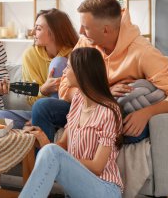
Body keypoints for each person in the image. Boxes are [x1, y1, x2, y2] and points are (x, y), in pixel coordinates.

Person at [32, 0, 168, 144]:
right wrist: (100, 95)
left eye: (85, 27)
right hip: (86, 107)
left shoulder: (143, 52)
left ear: (106, 30)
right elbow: (65, 87)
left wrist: (146, 113)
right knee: (42, 107)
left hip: (118, 113)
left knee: (132, 131)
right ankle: (46, 163)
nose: (80, 31)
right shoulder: (86, 42)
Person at [20, 47, 123, 198]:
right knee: (50, 151)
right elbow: (62, 145)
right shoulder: (78, 101)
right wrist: (42, 139)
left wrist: (52, 150)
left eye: (68, 67)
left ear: (82, 73)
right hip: (80, 189)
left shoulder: (108, 111)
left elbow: (97, 167)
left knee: (51, 151)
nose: (64, 72)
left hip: (105, 189)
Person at [0, 9, 79, 129]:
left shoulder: (76, 52)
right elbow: (32, 99)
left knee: (58, 63)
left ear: (54, 32)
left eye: (38, 29)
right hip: (40, 111)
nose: (32, 32)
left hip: (70, 111)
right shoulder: (30, 55)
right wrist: (43, 90)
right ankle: (44, 122)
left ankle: (45, 120)